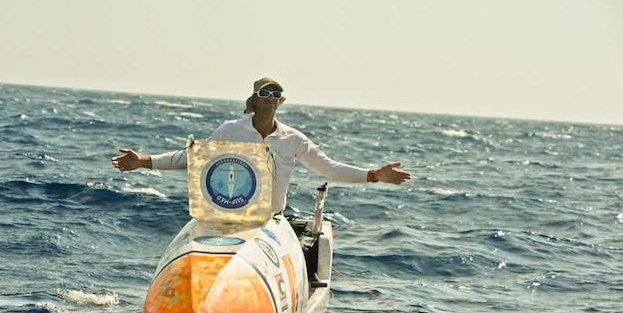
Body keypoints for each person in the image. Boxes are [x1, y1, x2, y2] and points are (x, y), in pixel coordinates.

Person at [111, 77, 411, 213]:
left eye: (275, 94)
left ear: (281, 102)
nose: (270, 99)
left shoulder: (292, 139)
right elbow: (191, 157)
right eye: (264, 94)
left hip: (270, 222)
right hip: (227, 217)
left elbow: (329, 168)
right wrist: (143, 161)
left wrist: (374, 174)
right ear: (253, 101)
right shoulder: (230, 130)